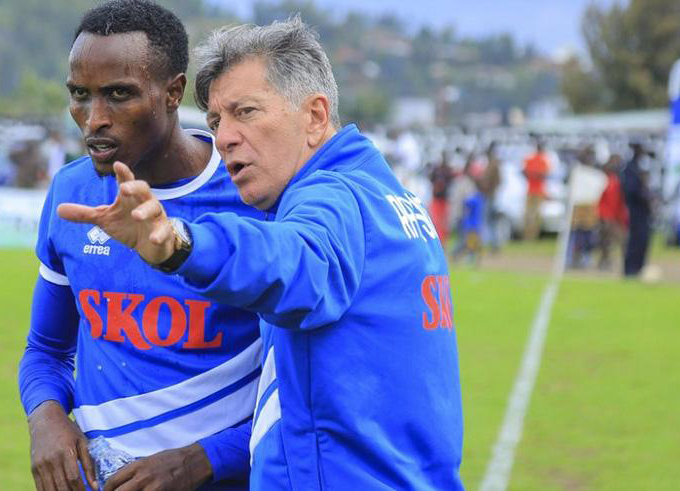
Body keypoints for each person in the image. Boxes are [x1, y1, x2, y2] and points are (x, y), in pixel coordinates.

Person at [58, 17, 464, 489]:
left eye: (246, 112)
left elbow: (294, 263)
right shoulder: (387, 194)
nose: (225, 136)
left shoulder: (330, 197)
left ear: (314, 116)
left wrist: (179, 243)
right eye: (215, 120)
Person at [17, 2, 262, 491]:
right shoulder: (72, 193)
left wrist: (201, 461)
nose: (94, 119)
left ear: (173, 92)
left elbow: (305, 391)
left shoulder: (252, 195)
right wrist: (45, 418)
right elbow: (45, 348)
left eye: (119, 95)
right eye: (80, 95)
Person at [622, 141, 654, 277]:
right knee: (636, 239)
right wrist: (644, 196)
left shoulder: (641, 166)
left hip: (644, 211)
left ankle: (639, 267)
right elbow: (631, 190)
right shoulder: (630, 168)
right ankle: (630, 269)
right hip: (635, 210)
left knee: (644, 239)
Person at [597, 154, 628, 270]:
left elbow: (620, 201)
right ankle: (604, 261)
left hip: (616, 216)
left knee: (621, 239)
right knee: (606, 239)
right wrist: (603, 216)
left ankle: (625, 262)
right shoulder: (605, 180)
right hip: (606, 215)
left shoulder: (617, 180)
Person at [523, 141, 549, 240]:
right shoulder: (540, 160)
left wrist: (533, 174)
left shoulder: (535, 160)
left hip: (535, 190)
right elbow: (542, 175)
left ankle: (531, 236)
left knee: (531, 214)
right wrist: (536, 175)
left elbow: (542, 175)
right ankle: (530, 236)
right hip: (535, 191)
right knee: (533, 215)